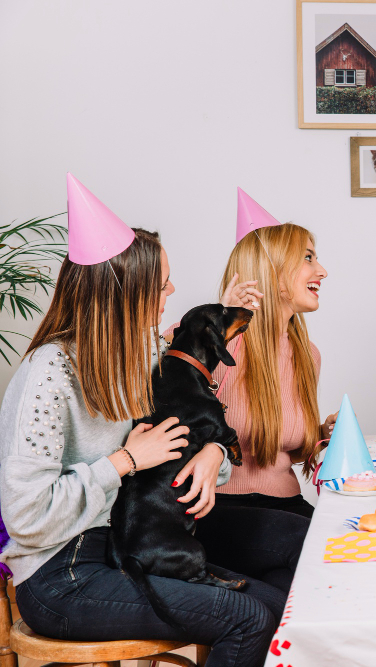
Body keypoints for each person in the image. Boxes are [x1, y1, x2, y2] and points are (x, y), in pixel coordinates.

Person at [0, 174, 283, 666]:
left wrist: (215, 453)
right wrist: (125, 460)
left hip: (128, 545)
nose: (172, 290)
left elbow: (200, 434)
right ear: (124, 294)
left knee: (276, 606)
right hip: (60, 575)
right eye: (162, 282)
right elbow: (26, 516)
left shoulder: (142, 360)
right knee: (248, 618)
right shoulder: (47, 374)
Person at [193, 189, 335, 520]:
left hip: (285, 505)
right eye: (308, 258)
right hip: (216, 508)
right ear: (272, 272)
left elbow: (287, 447)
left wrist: (321, 434)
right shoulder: (210, 340)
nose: (323, 271)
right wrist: (220, 324)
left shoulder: (306, 354)